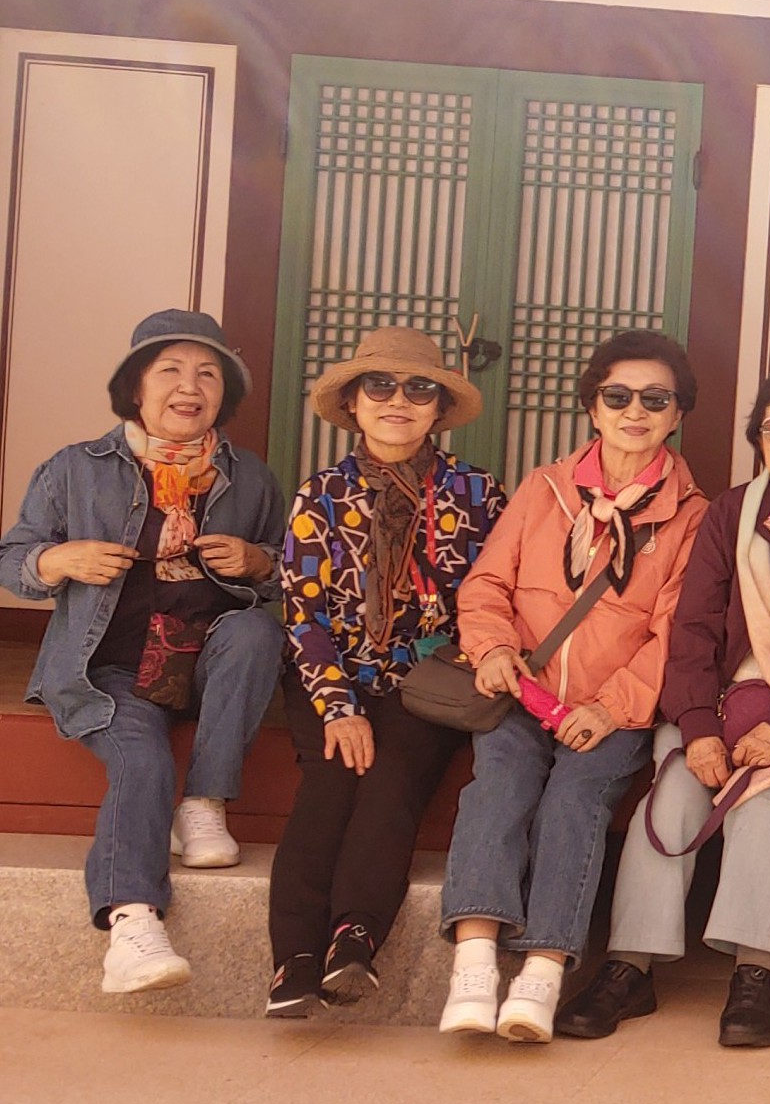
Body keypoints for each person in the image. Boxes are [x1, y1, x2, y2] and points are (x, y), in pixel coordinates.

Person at [558, 367, 770, 1048]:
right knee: (669, 799)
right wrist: (696, 730)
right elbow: (691, 628)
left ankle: (757, 973)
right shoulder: (731, 513)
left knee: (764, 805)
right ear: (759, 438)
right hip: (711, 704)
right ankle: (629, 968)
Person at [437, 329, 710, 1043]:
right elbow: (487, 584)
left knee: (574, 800)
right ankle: (473, 963)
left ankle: (543, 969)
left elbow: (674, 633)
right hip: (521, 692)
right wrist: (493, 647)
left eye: (656, 399)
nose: (635, 411)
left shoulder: (691, 515)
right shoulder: (545, 489)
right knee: (497, 787)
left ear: (678, 413)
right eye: (617, 396)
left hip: (609, 710)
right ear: (593, 406)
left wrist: (610, 707)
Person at [0, 310, 284, 994]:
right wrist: (57, 559)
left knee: (257, 631)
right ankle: (131, 925)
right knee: (143, 757)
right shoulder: (75, 468)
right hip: (109, 670)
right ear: (135, 387)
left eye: (208, 374)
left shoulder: (250, 478)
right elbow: (12, 561)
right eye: (170, 371)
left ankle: (205, 805)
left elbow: (291, 576)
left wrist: (258, 562)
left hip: (207, 665)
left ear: (224, 394)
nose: (190, 387)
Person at [267, 327, 505, 1017]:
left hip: (428, 680)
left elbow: (494, 598)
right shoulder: (321, 494)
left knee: (391, 779)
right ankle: (294, 960)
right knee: (329, 781)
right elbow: (304, 615)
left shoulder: (476, 493)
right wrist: (339, 707)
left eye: (419, 388)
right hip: (330, 674)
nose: (398, 401)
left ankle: (355, 937)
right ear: (353, 402)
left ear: (439, 408)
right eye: (380, 385)